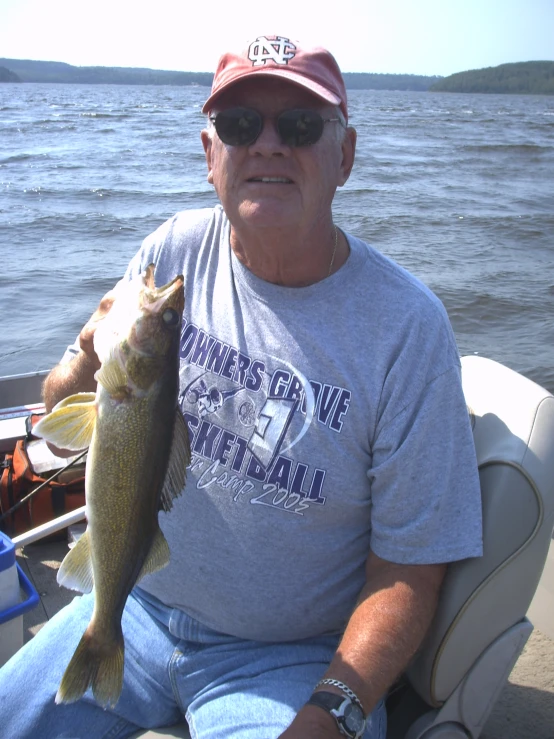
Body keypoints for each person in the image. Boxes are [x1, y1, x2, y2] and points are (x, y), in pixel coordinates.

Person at [1, 34, 483, 739]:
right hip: (132, 597)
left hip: (284, 660)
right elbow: (57, 404)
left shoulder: (407, 330)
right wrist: (84, 348)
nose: (267, 145)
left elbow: (411, 568)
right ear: (210, 155)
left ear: (344, 157)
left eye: (300, 125)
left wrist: (334, 709)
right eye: (239, 125)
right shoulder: (171, 252)